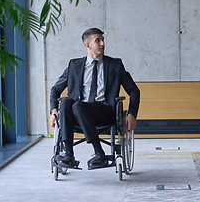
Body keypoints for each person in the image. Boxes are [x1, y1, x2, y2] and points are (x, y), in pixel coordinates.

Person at [49, 28, 140, 170]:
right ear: (88, 45)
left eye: (103, 40)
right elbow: (55, 89)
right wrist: (53, 110)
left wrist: (132, 113)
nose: (103, 43)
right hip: (76, 114)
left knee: (78, 106)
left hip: (103, 112)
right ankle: (69, 155)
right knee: (67, 102)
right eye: (98, 40)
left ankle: (99, 153)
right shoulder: (74, 65)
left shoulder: (115, 65)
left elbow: (134, 90)